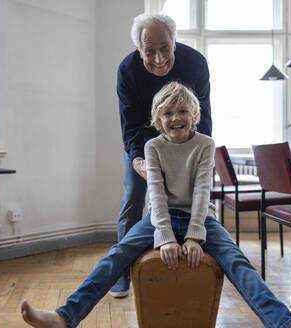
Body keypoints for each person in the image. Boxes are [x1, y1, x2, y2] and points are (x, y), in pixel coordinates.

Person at [21, 82, 291, 328]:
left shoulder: (205, 145)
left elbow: (202, 192)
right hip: (161, 217)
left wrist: (195, 236)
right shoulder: (152, 146)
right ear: (158, 120)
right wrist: (167, 238)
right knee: (117, 254)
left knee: (237, 262)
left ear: (194, 116)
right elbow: (155, 194)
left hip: (202, 218)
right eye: (168, 113)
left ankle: (287, 323)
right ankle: (64, 317)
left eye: (182, 111)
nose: (175, 118)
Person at [113, 12, 212, 297]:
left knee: (194, 195)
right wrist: (137, 159)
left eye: (165, 48)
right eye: (149, 51)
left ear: (174, 42)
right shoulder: (127, 71)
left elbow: (203, 117)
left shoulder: (196, 64)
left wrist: (200, 152)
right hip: (144, 145)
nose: (158, 59)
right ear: (138, 49)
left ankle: (196, 261)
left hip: (187, 141)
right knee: (133, 198)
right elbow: (130, 124)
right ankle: (122, 274)